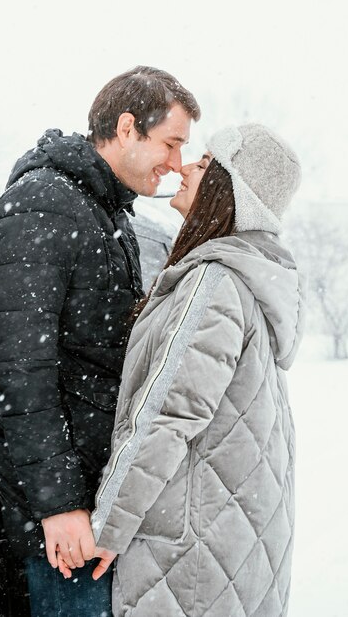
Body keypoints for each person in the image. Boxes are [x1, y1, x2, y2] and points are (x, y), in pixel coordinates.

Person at [0, 66, 200, 617]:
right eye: (170, 143)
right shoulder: (45, 205)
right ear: (127, 128)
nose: (175, 164)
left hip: (99, 499)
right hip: (67, 518)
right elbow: (20, 368)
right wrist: (59, 505)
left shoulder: (101, 209)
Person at [87, 123, 306, 616]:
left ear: (232, 192)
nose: (184, 167)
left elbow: (165, 414)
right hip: (231, 541)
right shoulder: (249, 279)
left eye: (204, 163)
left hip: (190, 558)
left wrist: (108, 526)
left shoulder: (214, 281)